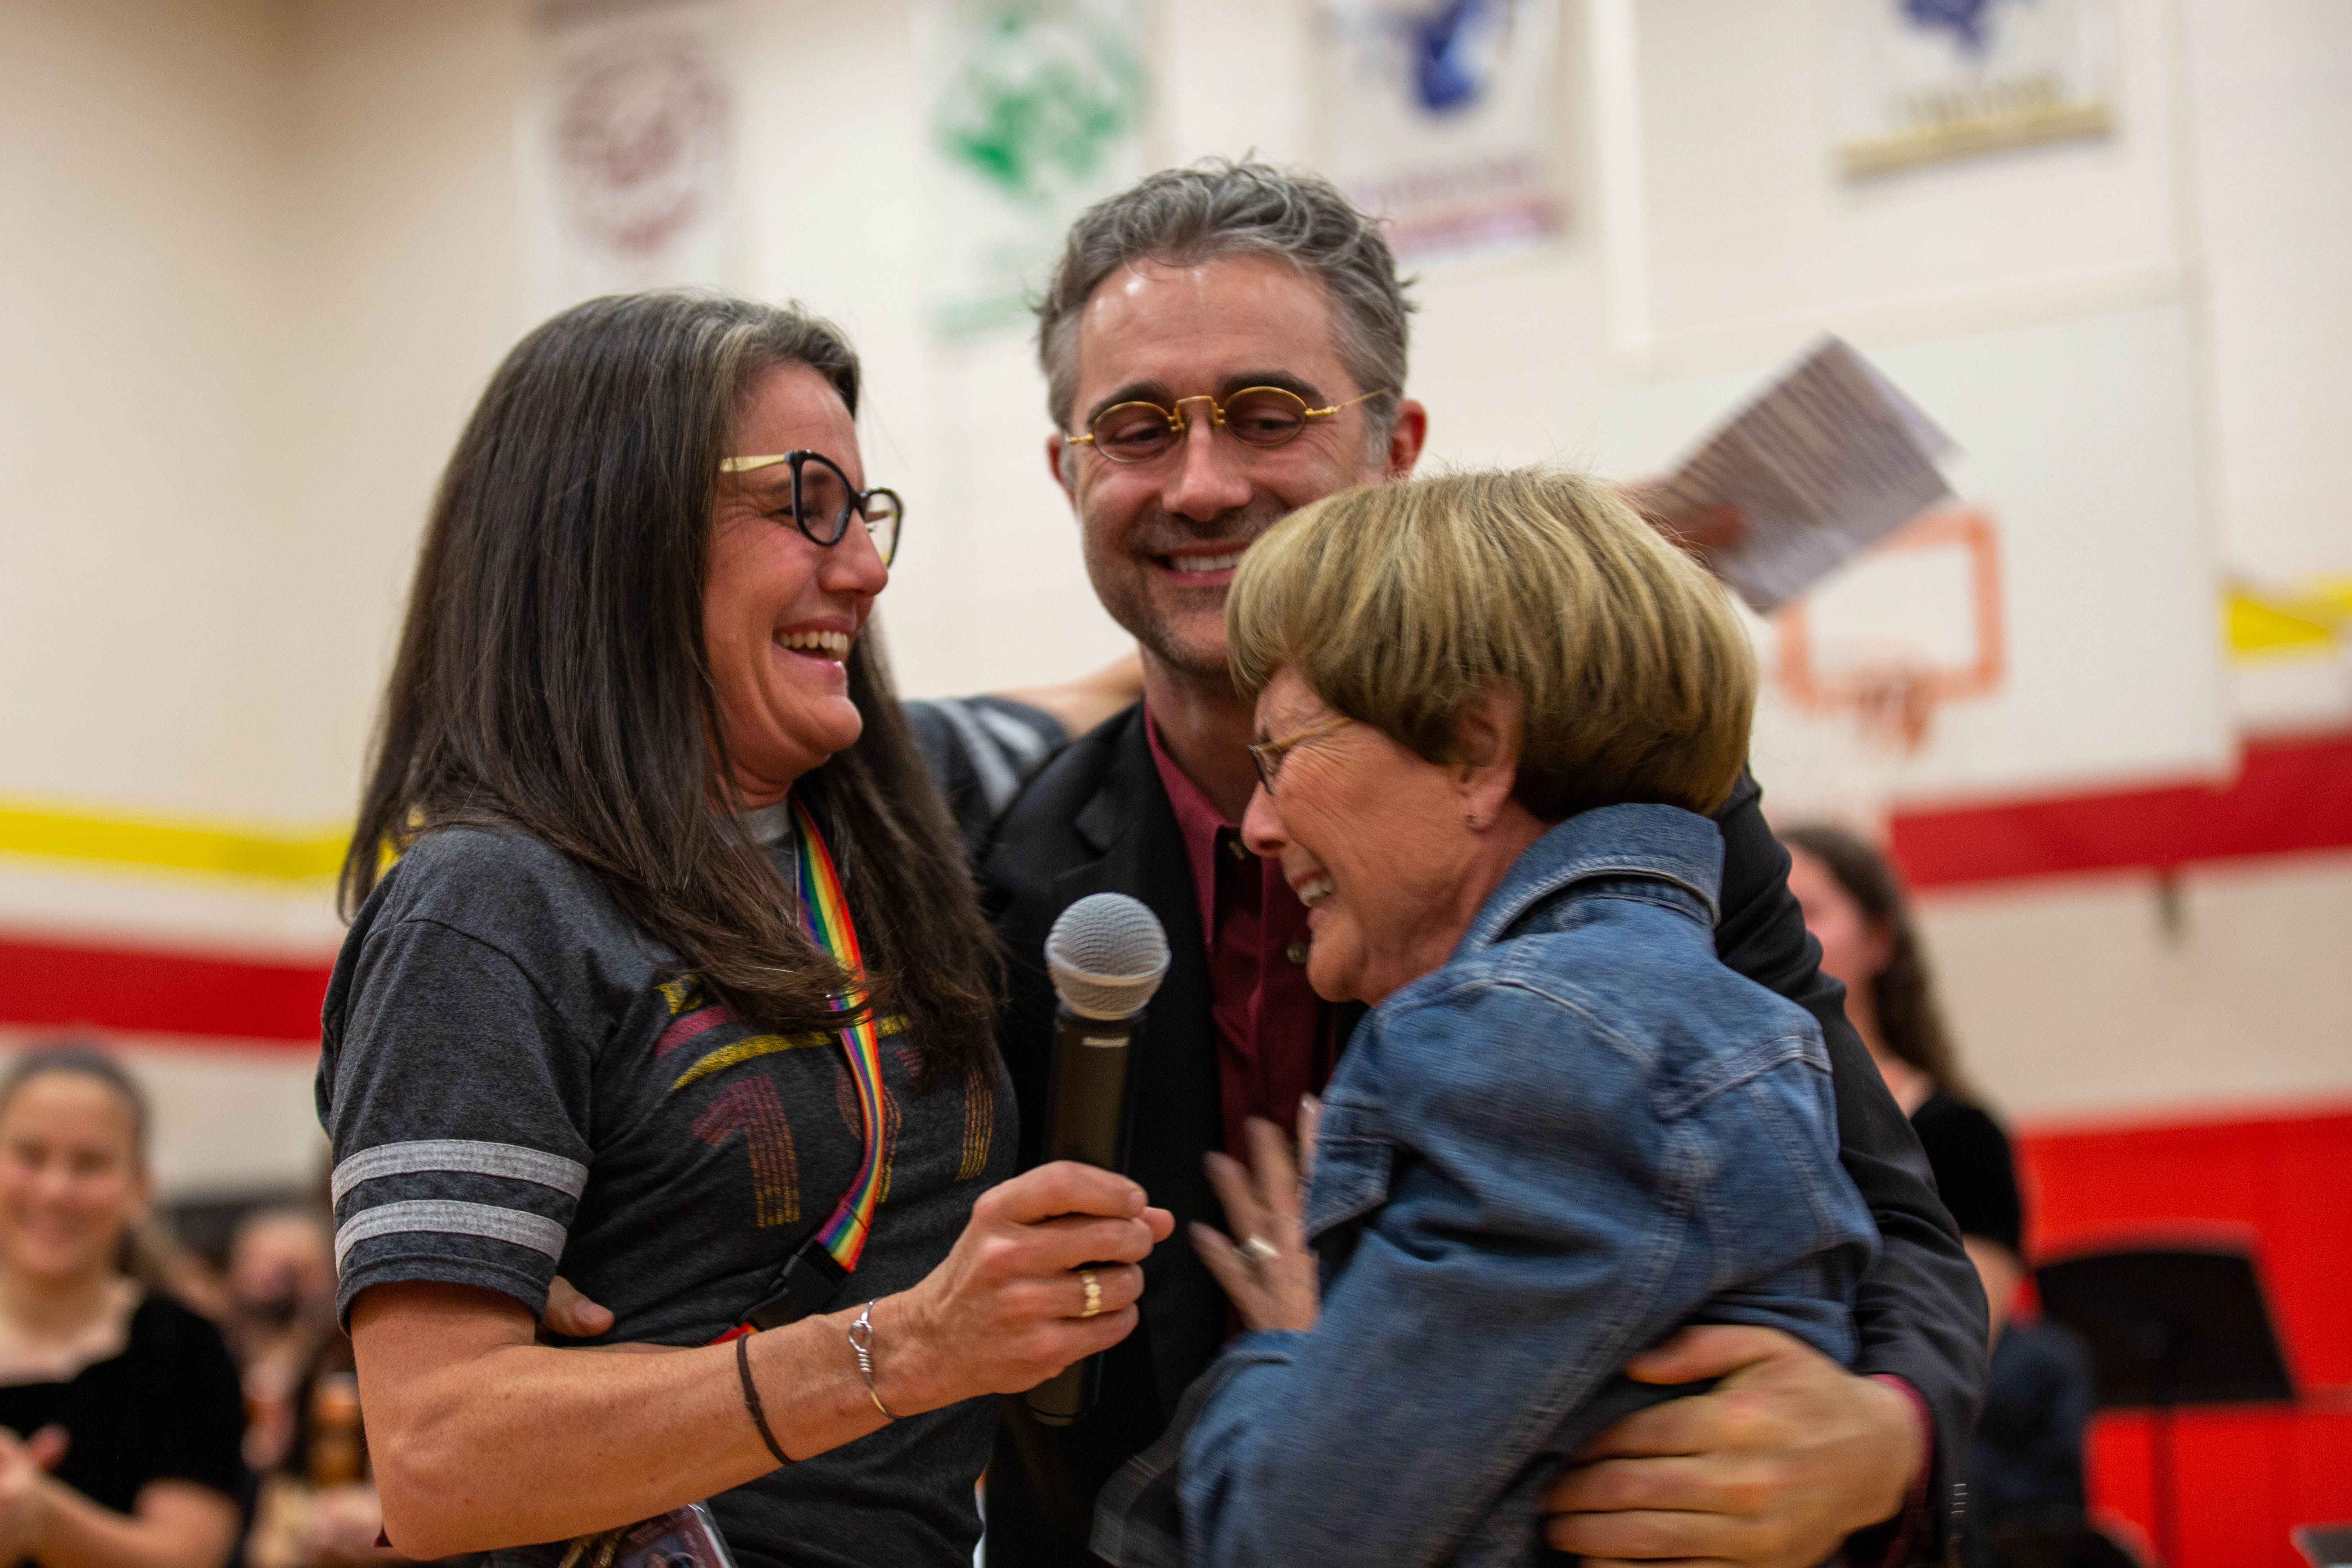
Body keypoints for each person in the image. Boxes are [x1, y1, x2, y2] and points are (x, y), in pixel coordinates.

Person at [975, 158, 1987, 1567]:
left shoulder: (1638, 805)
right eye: (1135, 427)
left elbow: (1883, 1206)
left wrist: (1888, 1432)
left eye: (1267, 415)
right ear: (1066, 469)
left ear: (1396, 449)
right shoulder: (983, 873)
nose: (1201, 482)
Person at [320, 290, 1171, 1568]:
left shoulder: (891, 814)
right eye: (802, 504)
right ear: (619, 531)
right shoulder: (489, 900)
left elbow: (1118, 691)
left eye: (865, 514)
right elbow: (443, 1459)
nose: (867, 568)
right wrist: (913, 1344)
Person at [1090, 465, 1883, 1566]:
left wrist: (1292, 1346)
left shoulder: (1528, 1039)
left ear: (1476, 748)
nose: (1262, 824)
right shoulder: (1723, 1022)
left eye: (1282, 753)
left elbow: (1286, 1540)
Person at [1782, 826, 2100, 1566]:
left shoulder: (1961, 1134)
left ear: (1879, 940)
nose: (1786, 934)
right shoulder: (1737, 1112)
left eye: (1810, 909)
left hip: (1901, 1472)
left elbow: (1957, 1337)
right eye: (1769, 911)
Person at [0, 1044, 246, 1568]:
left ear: (138, 1186)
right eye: (30, 1155)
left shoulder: (186, 1347)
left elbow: (192, 1554)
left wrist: (43, 1519)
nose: (55, 1188)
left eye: (89, 1163)